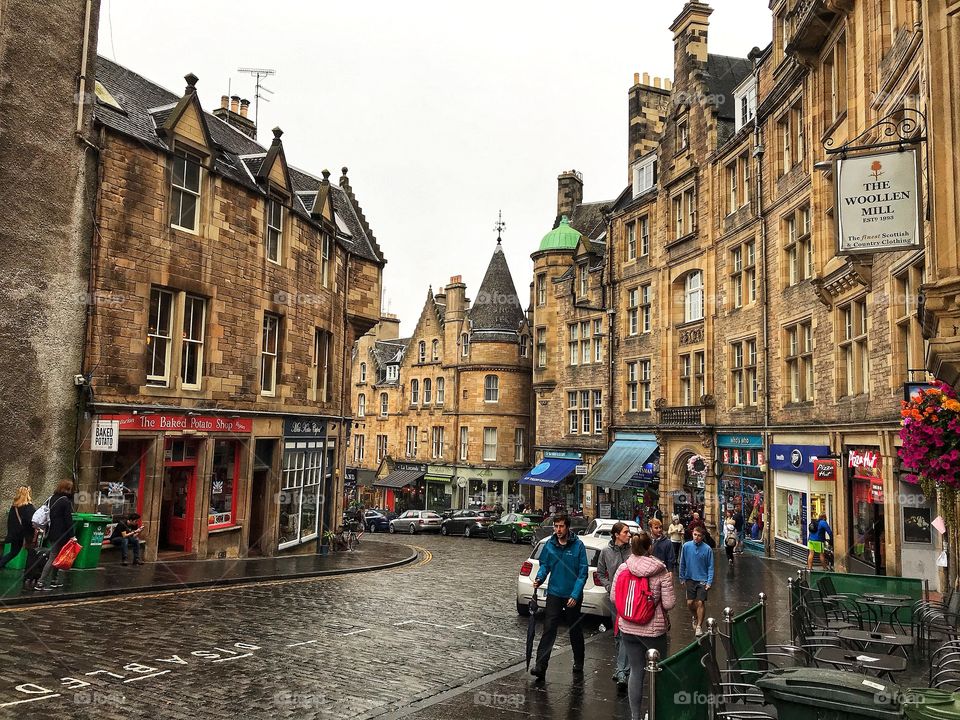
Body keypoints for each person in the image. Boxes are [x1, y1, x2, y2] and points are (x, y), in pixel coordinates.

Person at [610, 531, 675, 720]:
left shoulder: (623, 568)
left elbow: (614, 597)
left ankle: (635, 716)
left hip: (628, 628)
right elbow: (669, 603)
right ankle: (655, 712)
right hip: (653, 629)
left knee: (636, 671)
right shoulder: (660, 571)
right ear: (650, 547)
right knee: (659, 671)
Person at [530, 513, 589, 679]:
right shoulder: (550, 544)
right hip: (554, 592)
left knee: (574, 628)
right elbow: (545, 565)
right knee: (549, 628)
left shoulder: (578, 546)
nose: (558, 530)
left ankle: (579, 660)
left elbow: (582, 572)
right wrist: (540, 578)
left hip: (572, 594)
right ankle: (540, 665)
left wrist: (575, 594)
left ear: (567, 527)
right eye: (556, 526)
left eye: (561, 526)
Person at [597, 522, 632, 686]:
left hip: (630, 598)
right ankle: (622, 668)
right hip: (614, 598)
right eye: (626, 532)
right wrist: (608, 586)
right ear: (617, 534)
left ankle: (621, 670)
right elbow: (600, 572)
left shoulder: (632, 551)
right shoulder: (606, 551)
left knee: (625, 633)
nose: (629, 535)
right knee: (617, 634)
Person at [36, 479, 77, 591]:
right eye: (70, 489)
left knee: (58, 557)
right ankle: (40, 582)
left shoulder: (52, 498)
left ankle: (54, 581)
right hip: (61, 534)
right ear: (68, 489)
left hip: (51, 532)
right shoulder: (65, 501)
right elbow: (68, 520)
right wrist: (72, 536)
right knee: (53, 557)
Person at [678, 526, 714, 636]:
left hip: (702, 579)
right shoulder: (686, 546)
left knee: (700, 602)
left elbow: (710, 566)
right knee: (690, 603)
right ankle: (695, 616)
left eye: (699, 535)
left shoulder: (707, 549)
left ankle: (699, 626)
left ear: (702, 537)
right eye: (695, 535)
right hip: (690, 578)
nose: (696, 537)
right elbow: (682, 562)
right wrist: (681, 577)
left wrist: (709, 581)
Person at [0, 486, 36, 569]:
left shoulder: (14, 507)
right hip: (25, 535)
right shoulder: (29, 507)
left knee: (13, 552)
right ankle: (30, 571)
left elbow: (10, 522)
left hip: (15, 535)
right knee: (31, 552)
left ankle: (1, 563)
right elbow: (32, 521)